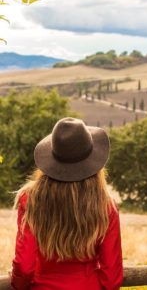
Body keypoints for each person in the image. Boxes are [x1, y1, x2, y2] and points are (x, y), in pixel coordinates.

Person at [10, 117, 124, 290]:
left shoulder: (30, 199)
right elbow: (112, 278)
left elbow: (24, 267)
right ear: (94, 163)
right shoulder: (106, 206)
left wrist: (19, 285)